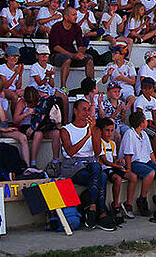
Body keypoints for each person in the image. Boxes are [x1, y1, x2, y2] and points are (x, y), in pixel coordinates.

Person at [61, 99, 117, 230]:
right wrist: (87, 136)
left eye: (88, 109)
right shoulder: (66, 130)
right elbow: (70, 152)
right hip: (74, 166)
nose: (86, 112)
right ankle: (100, 212)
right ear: (75, 111)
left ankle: (93, 209)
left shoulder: (94, 128)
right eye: (83, 109)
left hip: (91, 164)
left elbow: (97, 152)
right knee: (99, 173)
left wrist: (94, 133)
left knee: (100, 173)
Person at [121, 111, 156, 216]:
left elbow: (150, 152)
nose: (147, 122)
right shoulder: (130, 134)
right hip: (134, 162)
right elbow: (128, 154)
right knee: (150, 173)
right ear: (140, 123)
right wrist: (128, 170)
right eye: (145, 120)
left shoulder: (144, 134)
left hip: (146, 161)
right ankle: (142, 199)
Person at [49, 7, 97, 90]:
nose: (76, 17)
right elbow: (56, 47)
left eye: (76, 14)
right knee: (67, 59)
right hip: (56, 55)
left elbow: (80, 45)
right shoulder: (56, 27)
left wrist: (80, 53)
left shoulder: (76, 28)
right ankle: (63, 87)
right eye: (73, 15)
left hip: (72, 54)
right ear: (66, 17)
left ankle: (91, 87)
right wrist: (73, 55)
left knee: (89, 58)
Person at [96, 117, 134, 220]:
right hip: (104, 168)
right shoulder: (99, 142)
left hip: (112, 166)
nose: (109, 133)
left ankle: (128, 203)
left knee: (132, 177)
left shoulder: (112, 144)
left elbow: (113, 159)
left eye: (112, 130)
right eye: (107, 130)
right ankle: (115, 204)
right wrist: (115, 165)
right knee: (118, 178)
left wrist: (118, 161)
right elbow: (104, 160)